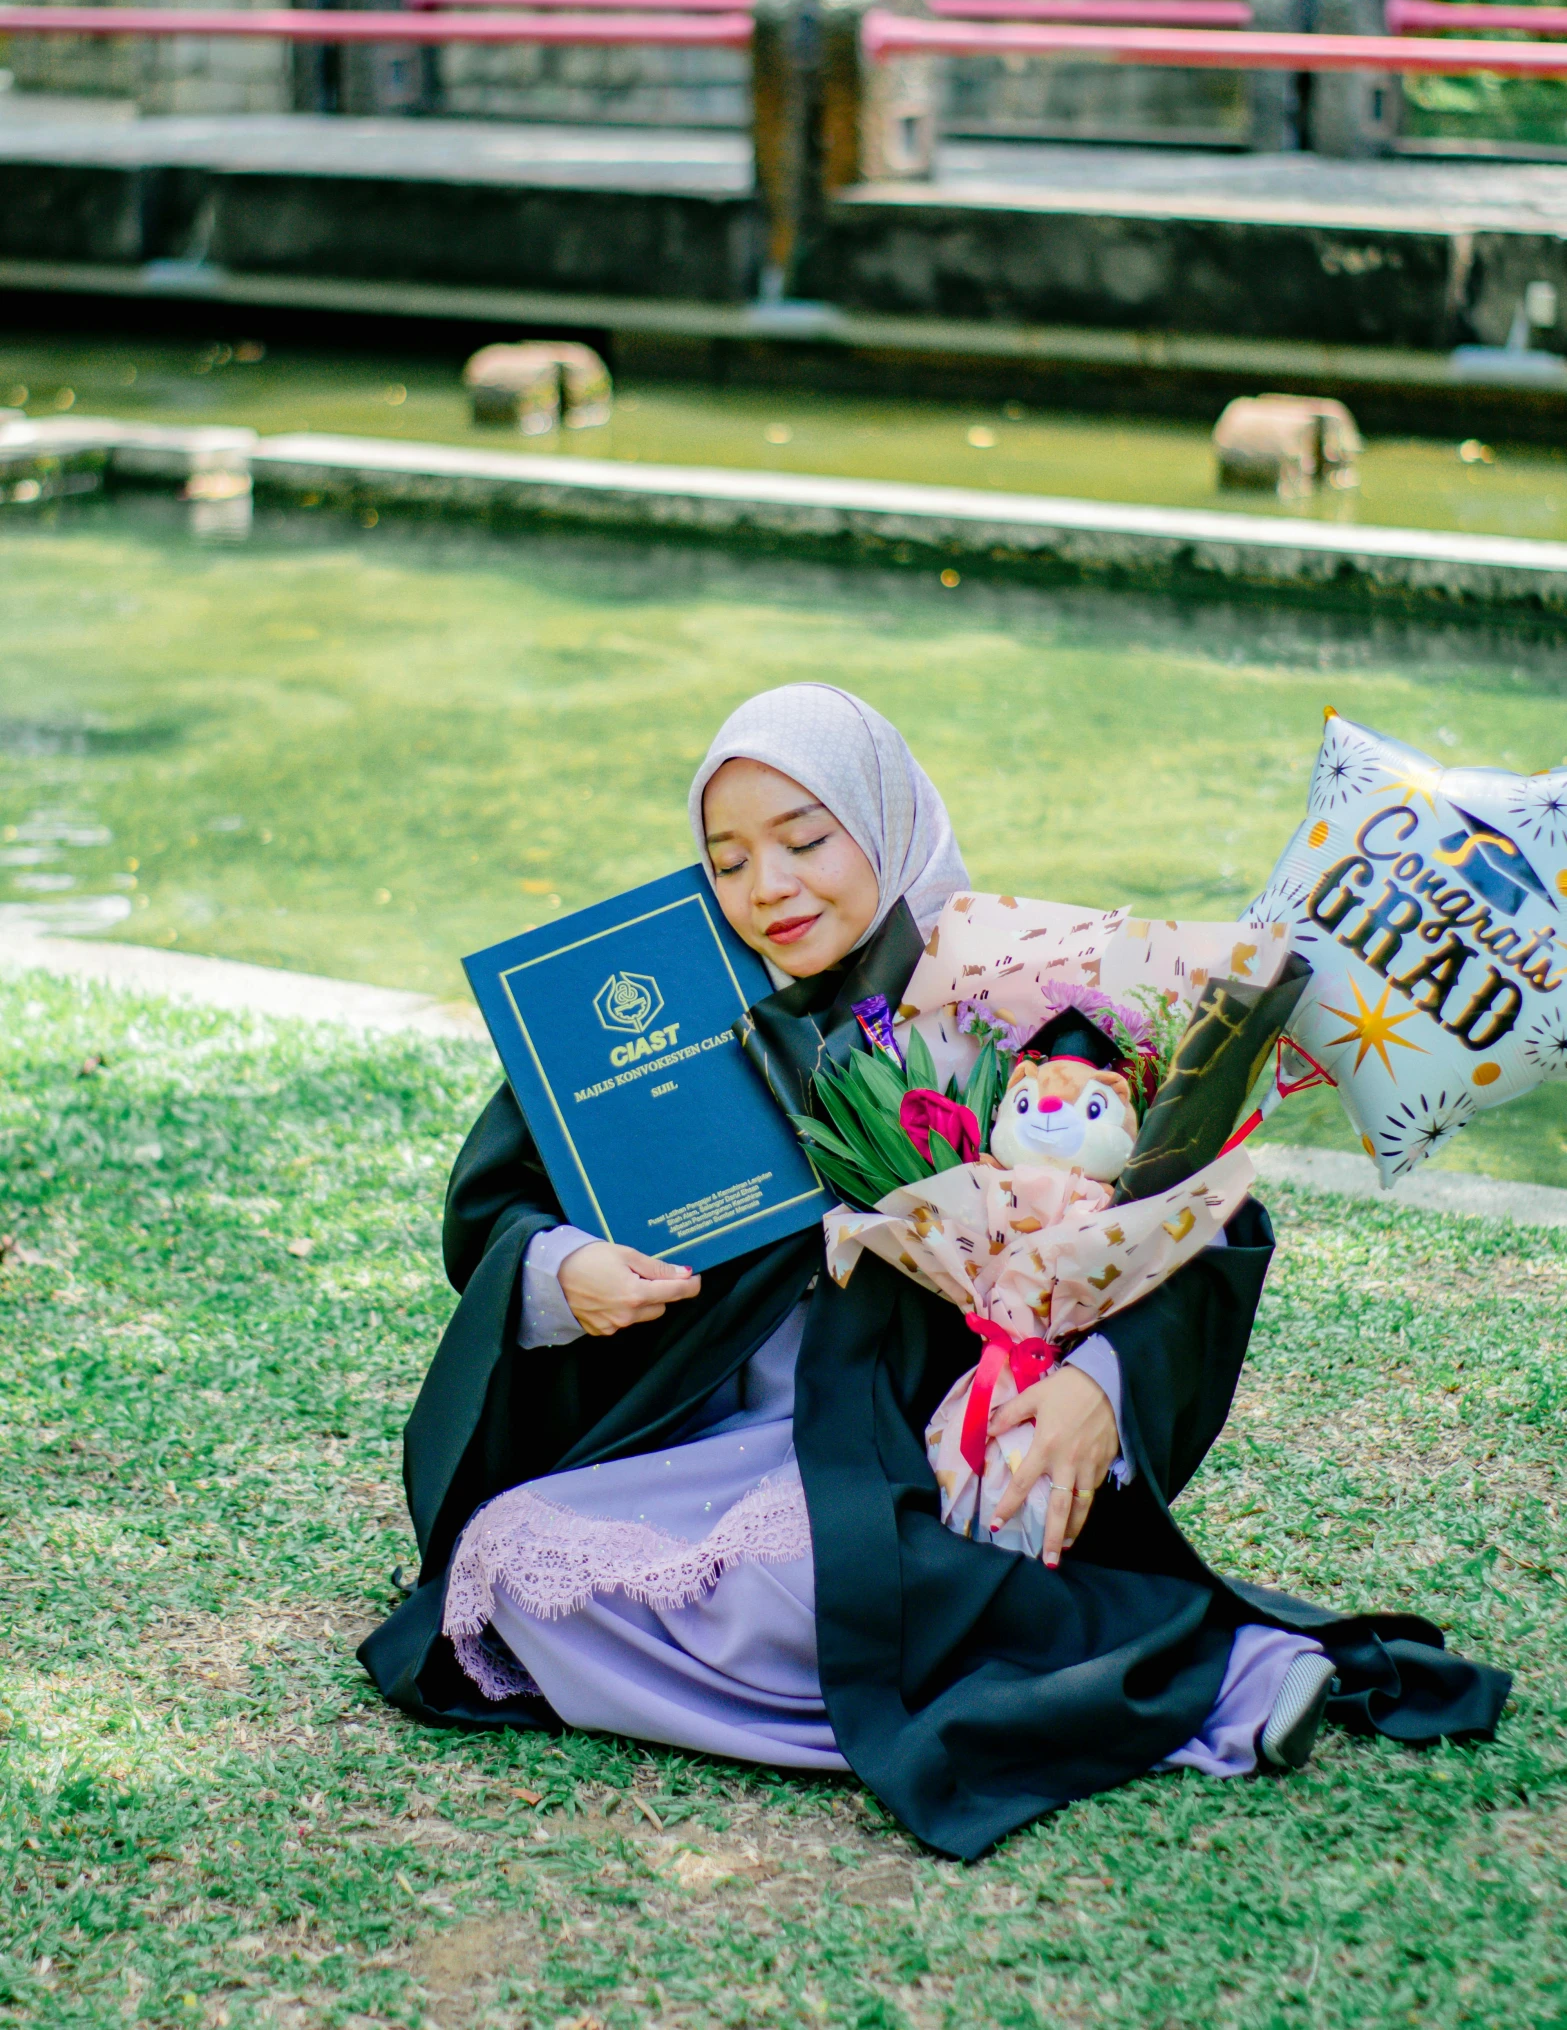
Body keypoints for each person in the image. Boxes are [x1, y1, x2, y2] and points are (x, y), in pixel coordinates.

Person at [360, 683, 1509, 1861]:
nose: (770, 888)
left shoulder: (999, 997)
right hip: (706, 1441)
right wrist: (563, 1270)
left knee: (816, 1589)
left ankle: (1220, 1677)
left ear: (887, 821)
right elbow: (495, 1208)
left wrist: (1098, 1386)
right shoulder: (657, 1011)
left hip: (919, 1441)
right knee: (503, 1570)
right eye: (729, 860)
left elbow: (1192, 1213)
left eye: (807, 840)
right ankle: (1061, 1686)